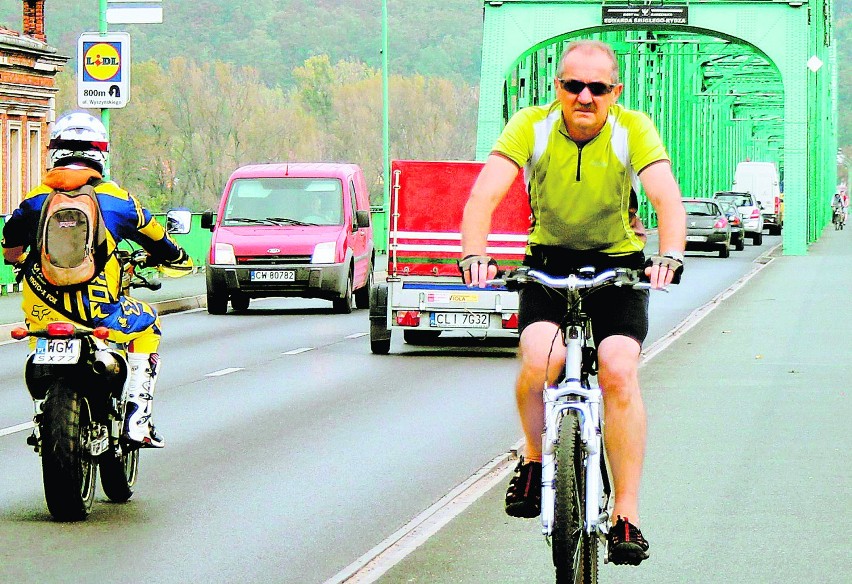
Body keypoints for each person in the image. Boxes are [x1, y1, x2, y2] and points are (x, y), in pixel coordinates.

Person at [459, 40, 686, 566]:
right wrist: (474, 253)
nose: (584, 97)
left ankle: (624, 513)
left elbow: (666, 198)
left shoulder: (634, 129)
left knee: (618, 371)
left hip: (618, 265)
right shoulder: (531, 125)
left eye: (597, 88)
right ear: (556, 87)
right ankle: (535, 459)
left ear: (615, 93)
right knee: (539, 359)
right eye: (572, 85)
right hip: (547, 264)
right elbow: (484, 195)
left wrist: (669, 254)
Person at [2, 111, 192, 448]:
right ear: (101, 154)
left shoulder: (32, 201)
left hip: (43, 316)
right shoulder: (117, 200)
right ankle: (137, 416)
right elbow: (158, 239)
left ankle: (40, 415)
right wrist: (177, 258)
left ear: (54, 153)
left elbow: (11, 254)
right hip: (100, 312)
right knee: (149, 325)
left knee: (37, 348)